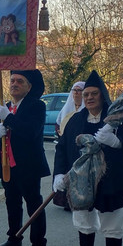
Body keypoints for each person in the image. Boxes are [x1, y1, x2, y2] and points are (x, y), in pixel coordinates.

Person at [53, 70, 123, 246]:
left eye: (94, 94)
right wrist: (58, 174)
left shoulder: (117, 119)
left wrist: (116, 141)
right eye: (86, 95)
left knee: (112, 223)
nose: (90, 98)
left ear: (103, 95)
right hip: (82, 182)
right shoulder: (75, 120)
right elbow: (62, 149)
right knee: (84, 221)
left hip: (111, 181)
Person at [0, 70, 50, 246]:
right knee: (12, 202)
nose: (14, 84)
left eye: (20, 81)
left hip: (28, 164)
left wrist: (8, 118)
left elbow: (30, 132)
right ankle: (14, 238)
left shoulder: (37, 106)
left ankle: (38, 244)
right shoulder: (6, 106)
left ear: (29, 86)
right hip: (8, 164)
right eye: (12, 80)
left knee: (34, 203)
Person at [53, 81, 84, 210]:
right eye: (74, 90)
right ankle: (66, 201)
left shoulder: (85, 110)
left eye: (79, 90)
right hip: (66, 145)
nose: (76, 93)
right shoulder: (67, 108)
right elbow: (59, 123)